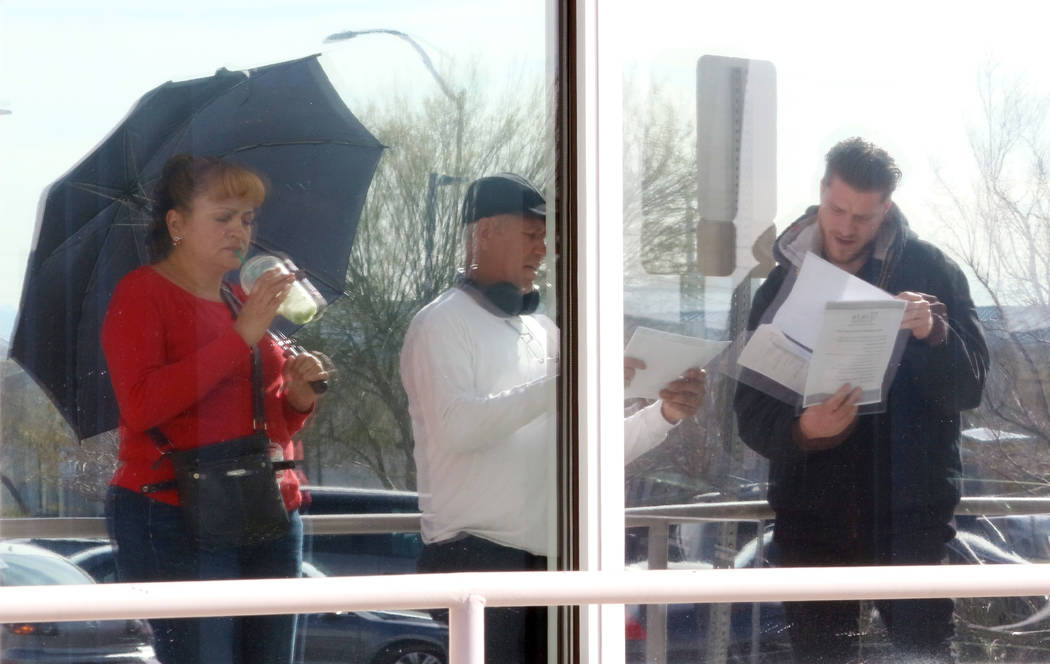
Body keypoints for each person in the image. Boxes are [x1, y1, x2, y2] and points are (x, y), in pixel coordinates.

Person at [400, 173, 705, 664]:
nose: (542, 250)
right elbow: (458, 429)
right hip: (476, 559)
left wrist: (666, 414)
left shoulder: (543, 331)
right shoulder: (438, 322)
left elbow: (591, 450)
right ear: (484, 233)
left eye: (545, 238)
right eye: (531, 234)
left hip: (551, 562)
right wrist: (567, 385)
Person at [733, 138, 988, 663]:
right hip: (812, 522)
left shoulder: (932, 271)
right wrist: (806, 432)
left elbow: (969, 390)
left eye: (864, 217)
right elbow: (751, 418)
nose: (847, 228)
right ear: (821, 192)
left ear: (887, 209)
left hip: (911, 520)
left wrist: (934, 339)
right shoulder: (781, 285)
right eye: (837, 210)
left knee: (926, 658)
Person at [101, 154, 328, 664]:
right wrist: (242, 334)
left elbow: (259, 417)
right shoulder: (143, 292)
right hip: (175, 508)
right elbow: (142, 407)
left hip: (268, 502)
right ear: (177, 223)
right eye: (223, 217)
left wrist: (298, 398)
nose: (240, 232)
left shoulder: (235, 299)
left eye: (247, 219)